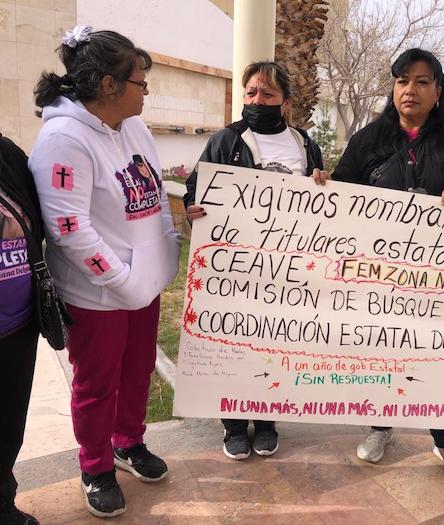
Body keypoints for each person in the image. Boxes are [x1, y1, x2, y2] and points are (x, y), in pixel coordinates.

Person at [312, 48, 444, 481]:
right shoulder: (369, 140)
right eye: (401, 81)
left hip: (442, 281)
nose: (409, 90)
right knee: (384, 353)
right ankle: (381, 427)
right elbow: (341, 197)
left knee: (437, 357)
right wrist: (324, 184)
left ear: (438, 90)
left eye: (420, 81)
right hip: (378, 278)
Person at [28, 26, 180, 518]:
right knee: (97, 383)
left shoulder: (132, 127)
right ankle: (95, 466)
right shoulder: (63, 139)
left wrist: (167, 247)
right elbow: (69, 230)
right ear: (109, 85)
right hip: (97, 293)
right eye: (140, 82)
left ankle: (127, 442)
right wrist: (121, 280)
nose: (146, 91)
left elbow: (152, 194)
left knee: (137, 372)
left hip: (143, 281)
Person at [184, 61, 323, 461]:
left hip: (286, 267)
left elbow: (319, 195)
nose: (257, 100)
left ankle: (265, 421)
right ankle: (232, 424)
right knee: (236, 342)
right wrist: (195, 207)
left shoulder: (302, 143)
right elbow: (198, 188)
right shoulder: (226, 140)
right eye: (251, 93)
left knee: (274, 343)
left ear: (286, 102)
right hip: (236, 267)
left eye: (267, 94)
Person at [0, 135, 43, 525]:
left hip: (17, 324)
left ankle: (2, 504)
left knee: (8, 426)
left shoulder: (7, 153)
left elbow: (40, 214)